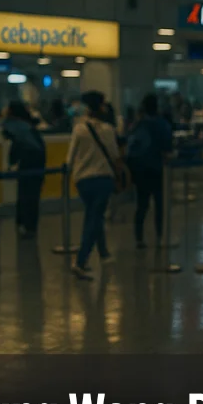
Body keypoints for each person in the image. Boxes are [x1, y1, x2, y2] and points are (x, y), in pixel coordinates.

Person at [66, 91, 122, 280]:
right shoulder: (108, 129)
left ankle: (104, 253)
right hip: (103, 180)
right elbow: (115, 157)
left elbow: (70, 158)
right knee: (94, 217)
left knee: (94, 215)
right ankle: (81, 261)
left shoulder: (79, 129)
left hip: (83, 180)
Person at [125, 93, 173, 248]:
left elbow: (130, 145)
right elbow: (168, 148)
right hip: (157, 169)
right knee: (160, 204)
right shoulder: (162, 124)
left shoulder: (138, 125)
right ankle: (160, 236)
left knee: (142, 205)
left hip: (140, 169)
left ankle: (139, 237)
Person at [2, 100, 46, 240]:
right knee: (32, 195)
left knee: (25, 194)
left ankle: (23, 223)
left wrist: (12, 162)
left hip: (27, 162)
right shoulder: (28, 126)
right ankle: (30, 225)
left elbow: (14, 141)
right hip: (38, 161)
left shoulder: (15, 125)